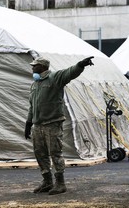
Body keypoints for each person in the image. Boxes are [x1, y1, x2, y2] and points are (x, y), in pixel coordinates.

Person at [24, 56, 94, 195]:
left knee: (55, 153)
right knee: (40, 154)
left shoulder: (55, 78)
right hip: (38, 125)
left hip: (52, 124)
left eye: (35, 66)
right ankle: (47, 181)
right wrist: (28, 123)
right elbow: (32, 106)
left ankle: (60, 183)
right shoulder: (35, 84)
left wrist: (80, 64)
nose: (32, 68)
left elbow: (69, 72)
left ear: (43, 67)